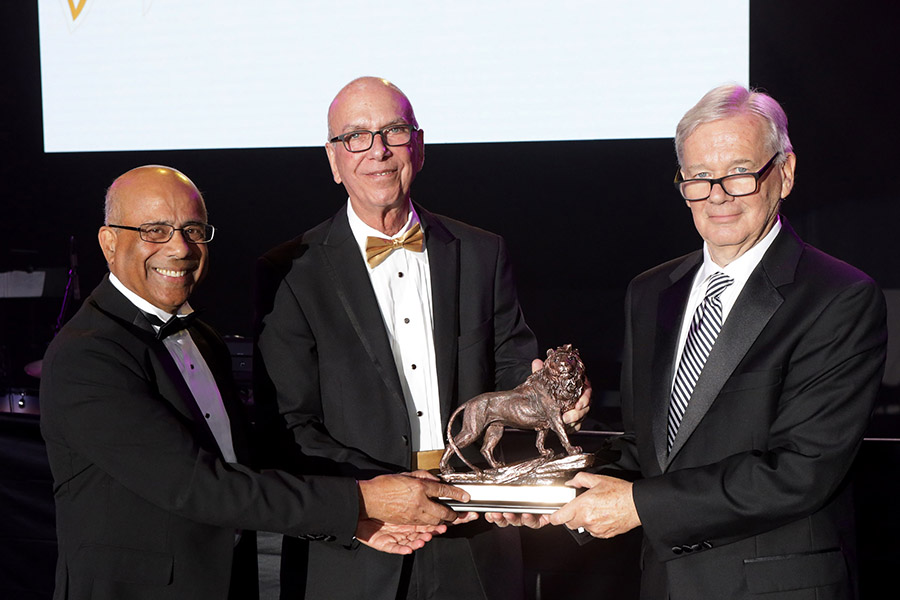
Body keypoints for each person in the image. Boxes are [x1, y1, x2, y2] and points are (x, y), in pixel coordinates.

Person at [492, 84, 888, 599]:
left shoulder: (839, 297)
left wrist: (638, 506)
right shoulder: (651, 292)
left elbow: (800, 470)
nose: (718, 194)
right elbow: (646, 455)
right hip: (665, 584)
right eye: (699, 177)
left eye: (739, 172)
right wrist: (547, 492)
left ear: (784, 173)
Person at [39, 165, 470, 600]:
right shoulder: (87, 355)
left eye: (193, 229)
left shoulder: (203, 338)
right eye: (155, 230)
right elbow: (201, 487)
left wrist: (354, 521)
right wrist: (363, 502)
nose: (180, 247)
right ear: (109, 242)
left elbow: (246, 466)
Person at [253, 76, 590, 600]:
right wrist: (371, 505)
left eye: (393, 131)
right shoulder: (290, 271)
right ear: (333, 159)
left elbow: (511, 383)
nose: (378, 151)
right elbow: (289, 424)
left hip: (475, 533)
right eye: (356, 137)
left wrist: (550, 402)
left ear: (419, 146)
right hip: (358, 543)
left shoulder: (482, 253)